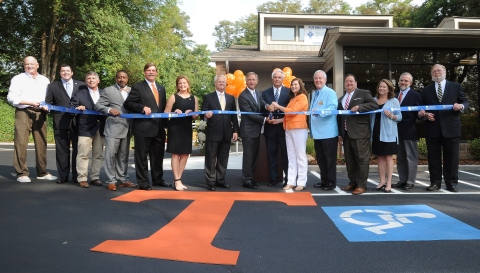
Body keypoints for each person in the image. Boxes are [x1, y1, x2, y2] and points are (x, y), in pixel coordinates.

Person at [418, 64, 469, 192]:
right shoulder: (426, 90)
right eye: (434, 71)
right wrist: (424, 115)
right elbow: (421, 109)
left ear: (444, 72)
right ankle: (435, 183)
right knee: (433, 158)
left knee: (451, 158)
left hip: (451, 128)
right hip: (432, 128)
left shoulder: (456, 87)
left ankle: (451, 183)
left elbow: (465, 102)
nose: (436, 73)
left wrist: (460, 106)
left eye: (438, 70)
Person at [7, 56, 57, 183]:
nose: (29, 66)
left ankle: (42, 172)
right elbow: (11, 97)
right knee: (21, 142)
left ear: (37, 65)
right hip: (24, 111)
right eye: (26, 64)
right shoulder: (18, 79)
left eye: (32, 64)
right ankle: (22, 173)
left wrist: (47, 107)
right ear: (24, 65)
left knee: (41, 143)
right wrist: (29, 102)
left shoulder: (45, 80)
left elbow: (48, 98)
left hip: (40, 113)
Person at [123, 63, 170, 191]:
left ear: (156, 73)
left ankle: (158, 180)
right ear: (144, 72)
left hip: (159, 128)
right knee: (142, 157)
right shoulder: (138, 87)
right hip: (143, 128)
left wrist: (166, 125)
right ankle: (143, 182)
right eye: (148, 70)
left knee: (158, 157)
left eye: (153, 70)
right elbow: (129, 103)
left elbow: (163, 107)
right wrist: (142, 107)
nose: (151, 72)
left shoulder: (161, 88)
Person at [94, 70, 137, 191]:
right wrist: (109, 110)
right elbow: (98, 105)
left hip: (127, 128)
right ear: (116, 78)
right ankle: (111, 181)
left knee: (123, 156)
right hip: (113, 128)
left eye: (124, 77)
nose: (122, 79)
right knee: (110, 155)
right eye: (119, 77)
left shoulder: (132, 91)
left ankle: (122, 179)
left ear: (127, 79)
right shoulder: (108, 90)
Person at [337, 74, 378, 195]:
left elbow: (374, 105)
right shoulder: (341, 99)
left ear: (355, 83)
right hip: (346, 134)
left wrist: (360, 106)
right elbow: (340, 118)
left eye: (351, 81)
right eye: (346, 82)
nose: (348, 83)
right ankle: (353, 182)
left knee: (362, 159)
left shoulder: (363, 93)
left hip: (360, 133)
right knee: (349, 160)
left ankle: (361, 185)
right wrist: (340, 134)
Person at [45, 64, 84, 184]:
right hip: (60, 122)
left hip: (78, 121)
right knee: (62, 150)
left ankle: (77, 175)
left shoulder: (82, 85)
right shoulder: (52, 86)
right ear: (60, 73)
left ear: (72, 73)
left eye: (68, 70)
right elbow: (48, 102)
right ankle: (63, 175)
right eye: (63, 71)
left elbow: (86, 100)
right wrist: (46, 108)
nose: (65, 72)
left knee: (78, 150)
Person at [201, 74, 239, 191]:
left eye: (223, 81)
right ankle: (211, 181)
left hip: (227, 133)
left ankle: (220, 180)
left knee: (223, 158)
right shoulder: (208, 97)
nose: (222, 83)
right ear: (215, 83)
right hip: (213, 132)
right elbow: (203, 113)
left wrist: (236, 130)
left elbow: (234, 116)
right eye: (219, 81)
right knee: (211, 158)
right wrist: (206, 115)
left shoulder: (231, 98)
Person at [70, 71, 106, 188]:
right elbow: (71, 106)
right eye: (89, 79)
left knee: (98, 154)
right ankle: (82, 178)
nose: (91, 80)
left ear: (98, 80)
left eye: (93, 78)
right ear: (86, 81)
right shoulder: (80, 94)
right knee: (83, 154)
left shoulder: (103, 93)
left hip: (100, 127)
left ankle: (95, 177)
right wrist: (77, 107)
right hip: (85, 127)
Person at [271, 78, 309, 191]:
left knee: (300, 156)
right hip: (288, 129)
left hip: (299, 129)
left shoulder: (302, 97)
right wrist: (278, 121)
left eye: (295, 84)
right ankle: (291, 181)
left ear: (300, 85)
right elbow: (289, 115)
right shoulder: (293, 98)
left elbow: (292, 111)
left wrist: (277, 106)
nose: (293, 86)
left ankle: (301, 182)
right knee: (291, 157)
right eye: (292, 85)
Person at [164, 75, 199, 191]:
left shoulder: (194, 98)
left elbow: (196, 116)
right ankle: (177, 180)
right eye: (180, 83)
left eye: (184, 83)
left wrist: (192, 113)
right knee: (175, 154)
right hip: (175, 128)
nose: (182, 85)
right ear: (177, 85)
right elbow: (165, 113)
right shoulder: (173, 97)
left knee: (185, 154)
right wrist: (174, 112)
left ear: (188, 84)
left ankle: (177, 179)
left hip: (187, 128)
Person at [370, 79, 402, 193]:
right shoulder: (373, 100)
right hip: (376, 131)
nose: (381, 89)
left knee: (389, 157)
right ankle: (382, 181)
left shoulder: (394, 101)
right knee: (380, 157)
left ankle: (389, 182)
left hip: (389, 133)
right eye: (380, 86)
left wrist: (391, 115)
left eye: (384, 87)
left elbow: (399, 117)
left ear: (389, 89)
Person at [309, 70, 338, 191]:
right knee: (321, 159)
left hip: (328, 132)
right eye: (316, 78)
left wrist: (320, 112)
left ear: (325, 80)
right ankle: (324, 180)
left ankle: (331, 182)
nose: (318, 80)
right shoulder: (315, 93)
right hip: (317, 133)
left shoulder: (330, 92)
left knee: (329, 159)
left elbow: (333, 107)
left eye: (320, 78)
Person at [393, 72, 422, 191]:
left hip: (409, 131)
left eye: (406, 81)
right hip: (396, 131)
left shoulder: (416, 95)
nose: (403, 83)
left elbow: (419, 114)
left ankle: (410, 181)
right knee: (400, 158)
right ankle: (402, 180)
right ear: (398, 82)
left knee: (411, 158)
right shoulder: (394, 96)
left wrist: (421, 115)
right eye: (401, 80)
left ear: (410, 83)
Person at [238, 72, 266, 189]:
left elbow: (262, 104)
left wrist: (268, 106)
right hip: (248, 130)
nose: (251, 81)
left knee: (254, 156)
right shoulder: (243, 95)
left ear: (257, 81)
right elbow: (250, 114)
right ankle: (247, 180)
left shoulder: (258, 93)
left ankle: (251, 178)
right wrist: (265, 119)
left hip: (256, 130)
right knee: (248, 156)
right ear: (246, 81)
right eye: (249, 80)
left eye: (253, 80)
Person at [262, 69, 290, 187]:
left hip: (284, 128)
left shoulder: (289, 92)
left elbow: (290, 108)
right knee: (271, 154)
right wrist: (267, 108)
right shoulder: (265, 92)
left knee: (286, 155)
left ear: (282, 79)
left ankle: (288, 179)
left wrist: (278, 107)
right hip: (270, 128)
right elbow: (262, 107)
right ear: (272, 79)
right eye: (275, 77)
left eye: (279, 77)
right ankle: (273, 178)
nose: (277, 79)